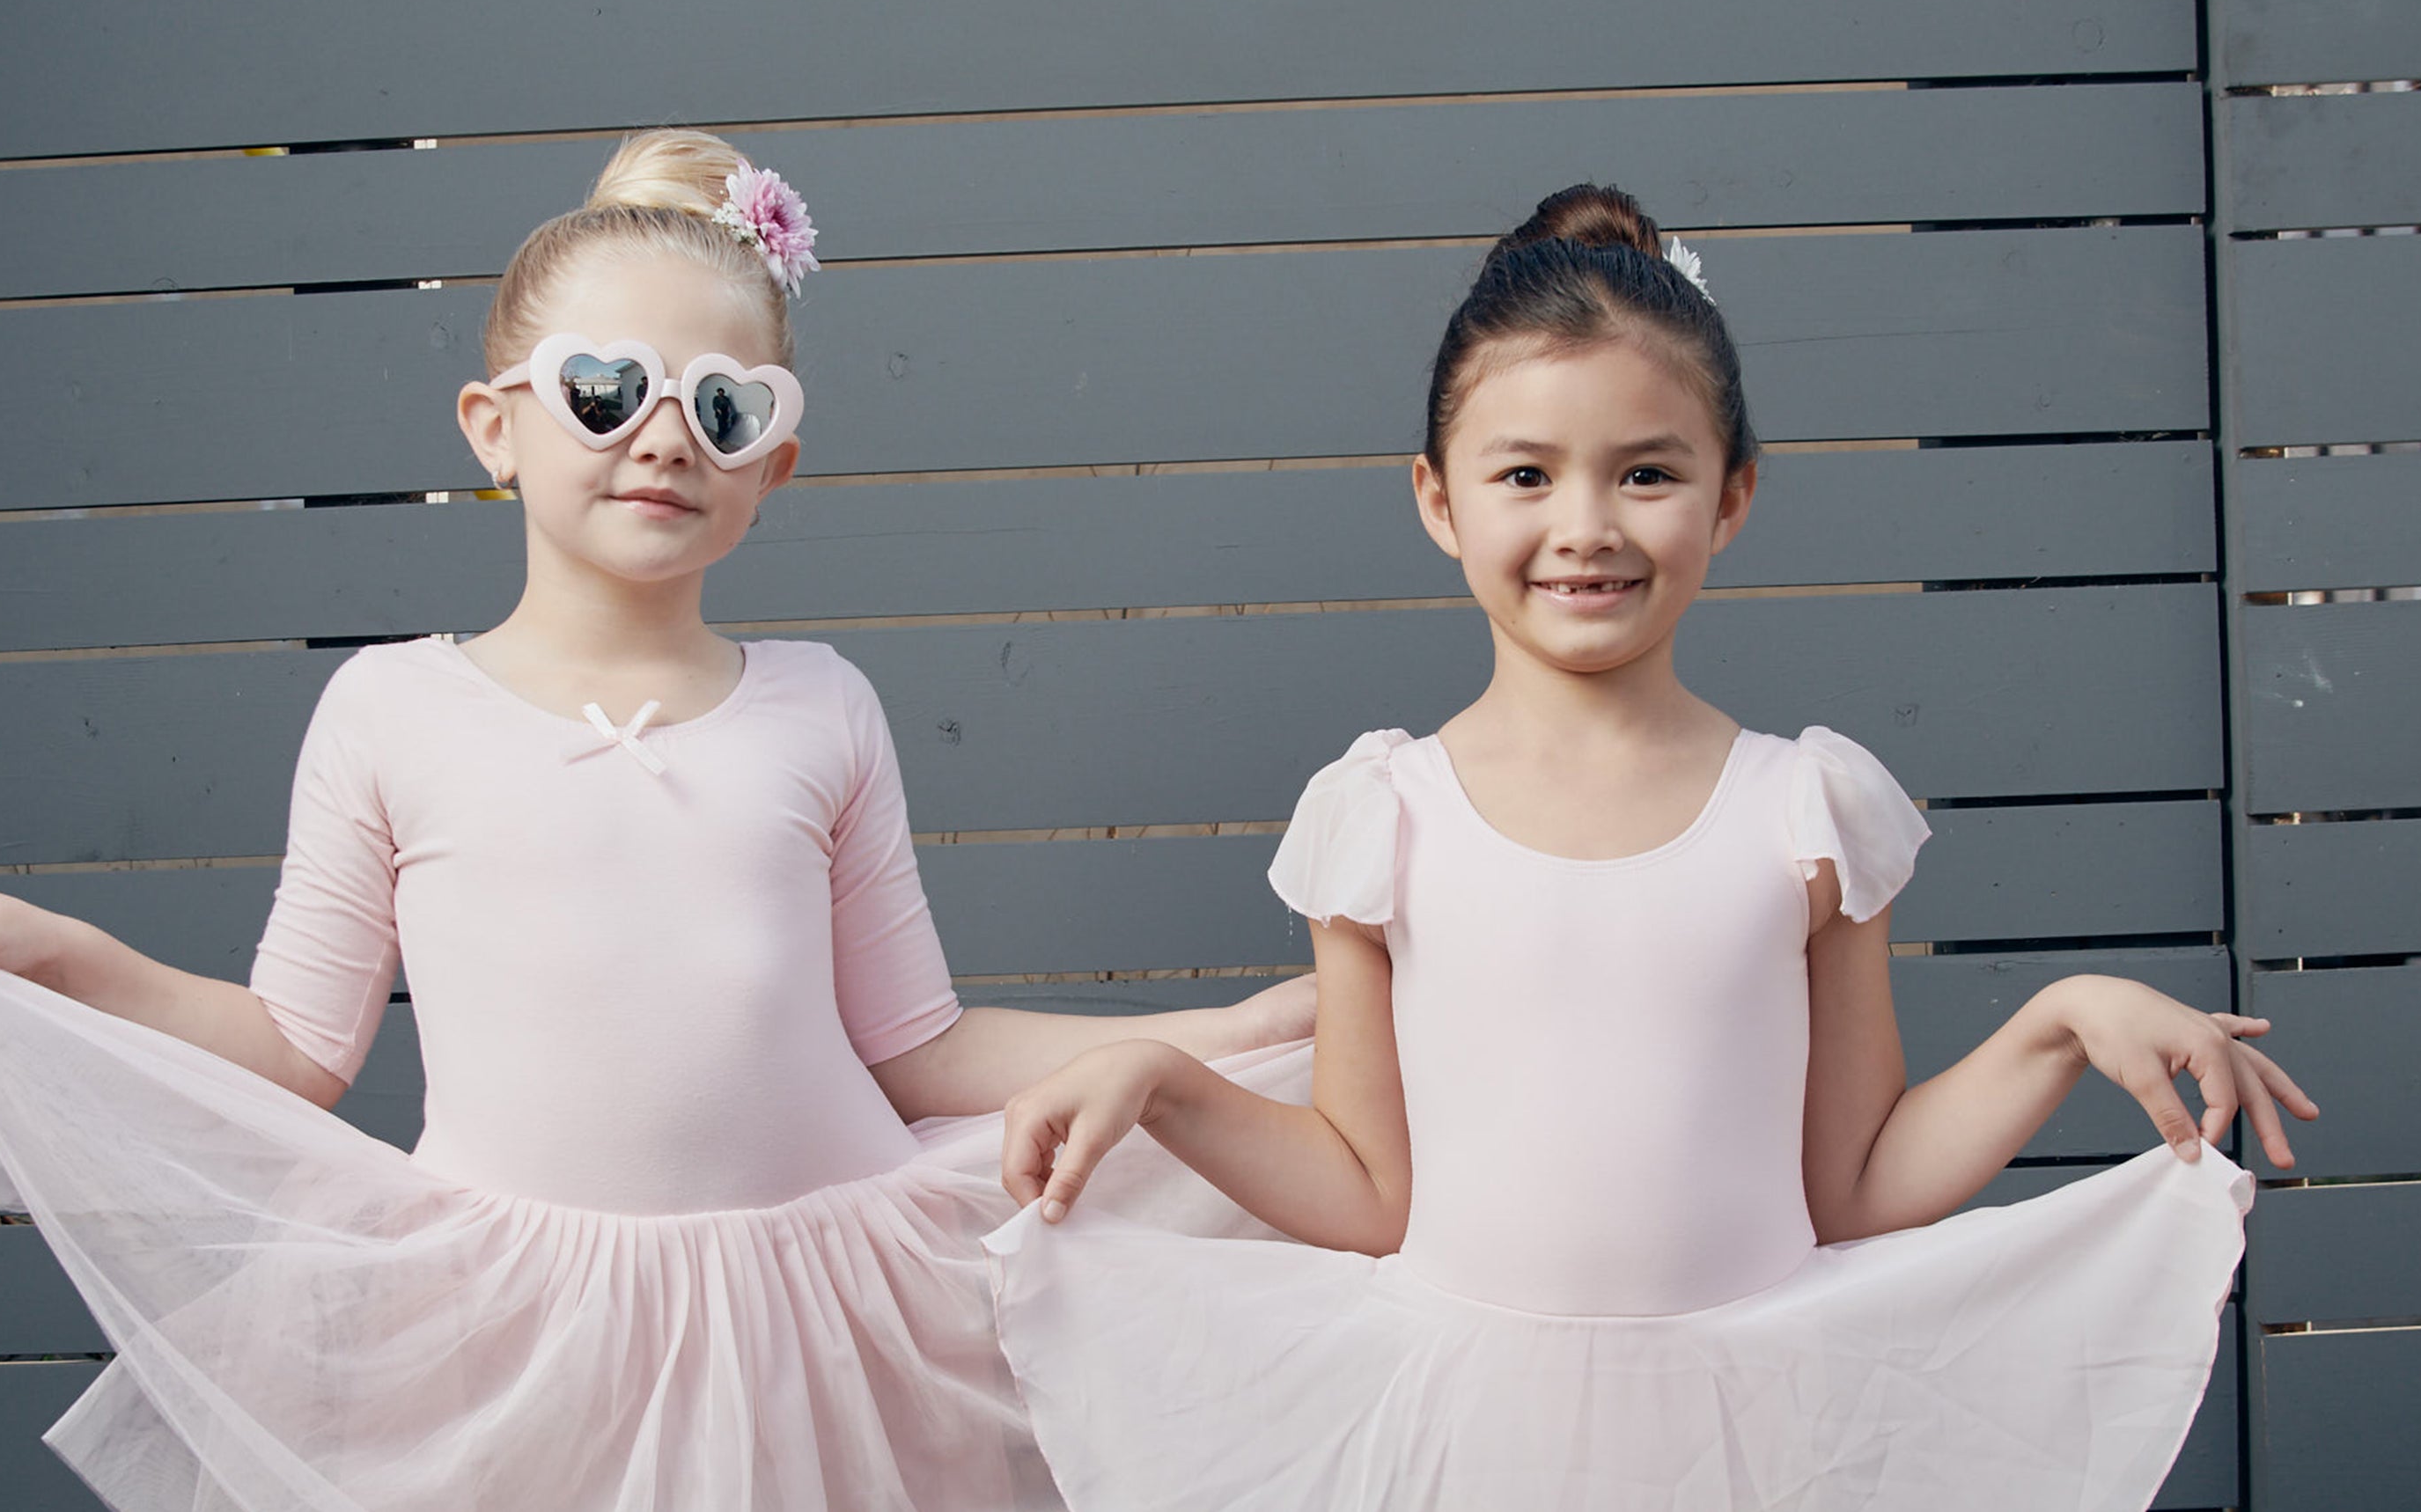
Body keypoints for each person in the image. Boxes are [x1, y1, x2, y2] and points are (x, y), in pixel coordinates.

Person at [0, 129, 1309, 1511]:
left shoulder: (822, 709)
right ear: (493, 425)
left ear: (775, 467)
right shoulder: (392, 712)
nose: (663, 439)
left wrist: (1225, 1038)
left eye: (724, 407)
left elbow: (920, 1049)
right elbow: (293, 1047)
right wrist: (55, 955)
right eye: (606, 389)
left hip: (824, 1320)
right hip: (519, 1336)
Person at [986, 185, 2311, 1511]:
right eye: (1526, 474)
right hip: (1470, 1433)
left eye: (1647, 472)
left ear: (1729, 497)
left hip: (1751, 1438)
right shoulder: (1383, 814)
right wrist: (1162, 1079)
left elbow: (1850, 1188)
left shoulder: (1808, 813)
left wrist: (2062, 1025)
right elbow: (1370, 1192)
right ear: (1438, 500)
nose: (1588, 526)